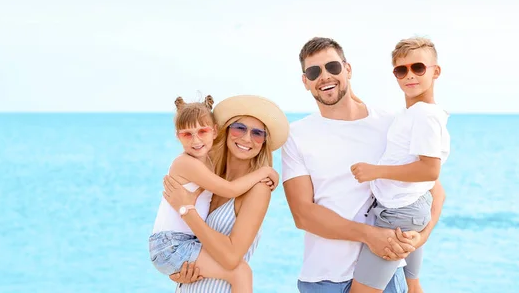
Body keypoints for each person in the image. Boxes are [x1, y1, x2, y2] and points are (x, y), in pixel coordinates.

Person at [281, 37, 446, 293]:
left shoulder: (390, 123)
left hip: (389, 274)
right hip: (324, 279)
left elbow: (433, 191)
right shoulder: (295, 135)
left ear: (347, 69)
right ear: (305, 81)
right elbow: (303, 214)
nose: (325, 76)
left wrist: (420, 238)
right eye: (314, 71)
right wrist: (370, 236)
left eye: (333, 67)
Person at [149, 95, 280, 293]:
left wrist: (186, 210)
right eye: (239, 128)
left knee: (242, 273)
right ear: (225, 131)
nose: (246, 138)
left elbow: (230, 257)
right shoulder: (210, 175)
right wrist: (178, 272)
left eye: (257, 133)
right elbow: (184, 243)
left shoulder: (258, 189)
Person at [349, 37, 450, 293]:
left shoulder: (424, 115)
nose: (409, 75)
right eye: (401, 70)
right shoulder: (415, 113)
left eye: (418, 67)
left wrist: (376, 171)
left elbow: (430, 169)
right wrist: (345, 89)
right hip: (411, 206)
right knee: (412, 286)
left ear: (435, 71)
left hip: (398, 212)